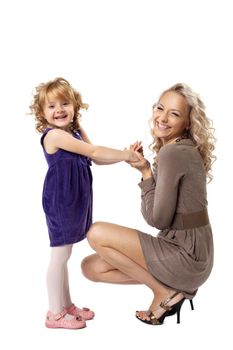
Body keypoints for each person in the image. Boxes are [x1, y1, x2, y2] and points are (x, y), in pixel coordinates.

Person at [81, 83, 216, 325]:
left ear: (187, 123)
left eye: (174, 113)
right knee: (91, 268)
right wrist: (145, 169)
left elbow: (158, 220)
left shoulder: (171, 153)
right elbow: (163, 219)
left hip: (186, 256)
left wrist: (146, 176)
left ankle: (163, 293)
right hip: (193, 254)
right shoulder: (179, 149)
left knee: (95, 232)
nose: (162, 118)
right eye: (160, 108)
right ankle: (171, 288)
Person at [29, 77, 140, 330]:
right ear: (42, 113)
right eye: (51, 106)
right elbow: (95, 152)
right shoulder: (55, 135)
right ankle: (54, 313)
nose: (59, 110)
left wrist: (124, 157)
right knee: (59, 255)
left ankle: (66, 306)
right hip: (61, 200)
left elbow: (98, 159)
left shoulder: (75, 132)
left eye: (65, 103)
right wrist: (127, 155)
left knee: (65, 254)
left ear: (75, 106)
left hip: (77, 200)